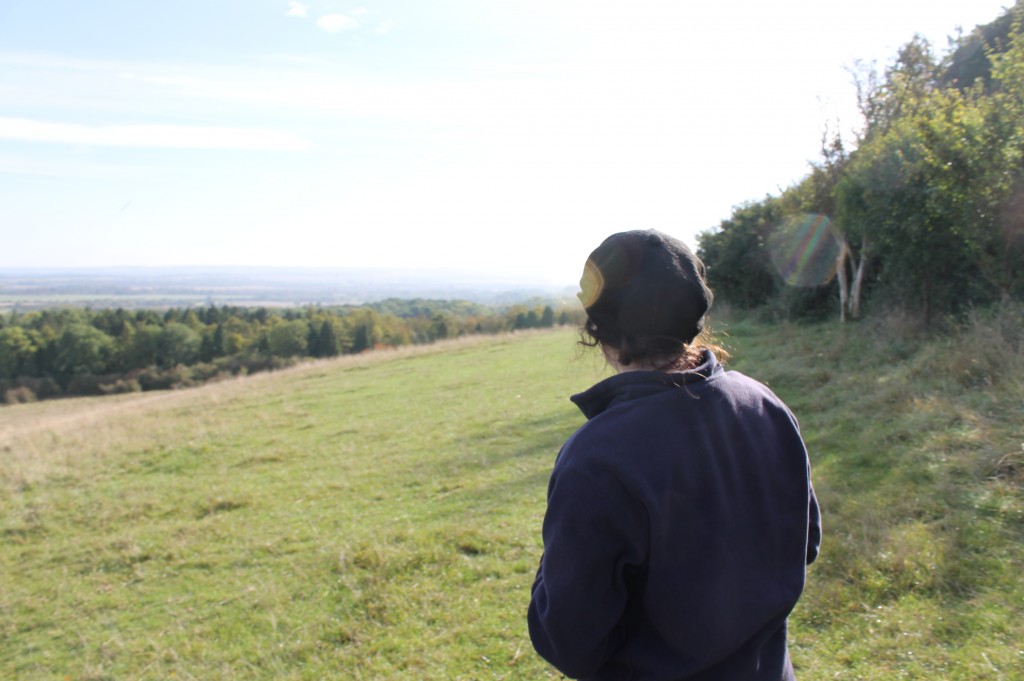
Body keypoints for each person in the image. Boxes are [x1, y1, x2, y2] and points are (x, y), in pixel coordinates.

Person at [527, 229, 821, 681]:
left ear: (597, 330)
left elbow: (569, 640)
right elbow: (805, 543)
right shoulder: (765, 404)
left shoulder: (596, 460)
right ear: (694, 321)